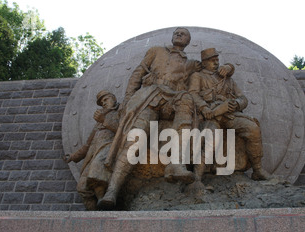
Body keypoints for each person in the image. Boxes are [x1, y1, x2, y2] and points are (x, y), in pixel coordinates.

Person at [97, 28, 234, 210]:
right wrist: (128, 99)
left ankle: (176, 164)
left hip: (172, 98)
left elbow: (213, 67)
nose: (179, 34)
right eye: (177, 32)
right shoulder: (155, 51)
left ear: (187, 41)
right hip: (150, 96)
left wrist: (230, 67)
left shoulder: (191, 64)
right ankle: (112, 191)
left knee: (186, 98)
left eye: (183, 34)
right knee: (136, 138)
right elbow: (138, 74)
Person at [188, 48, 269, 183]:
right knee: (210, 137)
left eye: (217, 60)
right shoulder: (198, 76)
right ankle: (197, 178)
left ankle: (258, 170)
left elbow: (243, 98)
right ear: (204, 63)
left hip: (230, 115)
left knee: (253, 128)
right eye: (212, 61)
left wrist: (236, 104)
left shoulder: (227, 79)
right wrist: (203, 107)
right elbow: (192, 94)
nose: (216, 63)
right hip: (211, 116)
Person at [64, 90, 120, 210]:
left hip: (109, 152)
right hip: (93, 155)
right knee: (82, 187)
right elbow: (87, 146)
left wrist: (104, 120)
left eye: (106, 99)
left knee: (96, 172)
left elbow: (123, 132)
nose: (104, 103)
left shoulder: (121, 113)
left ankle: (103, 201)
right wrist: (73, 156)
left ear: (114, 99)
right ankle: (94, 215)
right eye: (101, 102)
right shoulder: (98, 123)